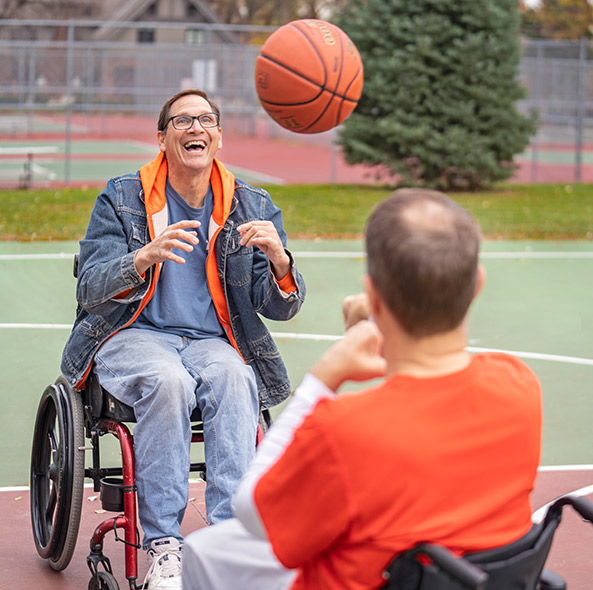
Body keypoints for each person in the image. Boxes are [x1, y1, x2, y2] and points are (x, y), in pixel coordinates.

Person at [181, 188, 543, 590]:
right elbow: (424, 411)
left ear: (372, 296)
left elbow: (251, 512)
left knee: (208, 551)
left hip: (368, 578)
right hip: (467, 575)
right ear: (477, 284)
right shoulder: (519, 382)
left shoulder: (343, 430)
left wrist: (322, 380)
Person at [60, 89, 306, 589]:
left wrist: (281, 260)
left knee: (240, 379)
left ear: (217, 135)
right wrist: (142, 258)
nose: (196, 128)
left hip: (210, 340)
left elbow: (277, 307)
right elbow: (89, 287)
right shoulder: (123, 197)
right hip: (133, 332)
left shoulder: (250, 204)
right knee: (169, 383)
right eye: (182, 121)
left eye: (207, 120)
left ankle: (229, 541)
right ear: (162, 137)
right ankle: (165, 548)